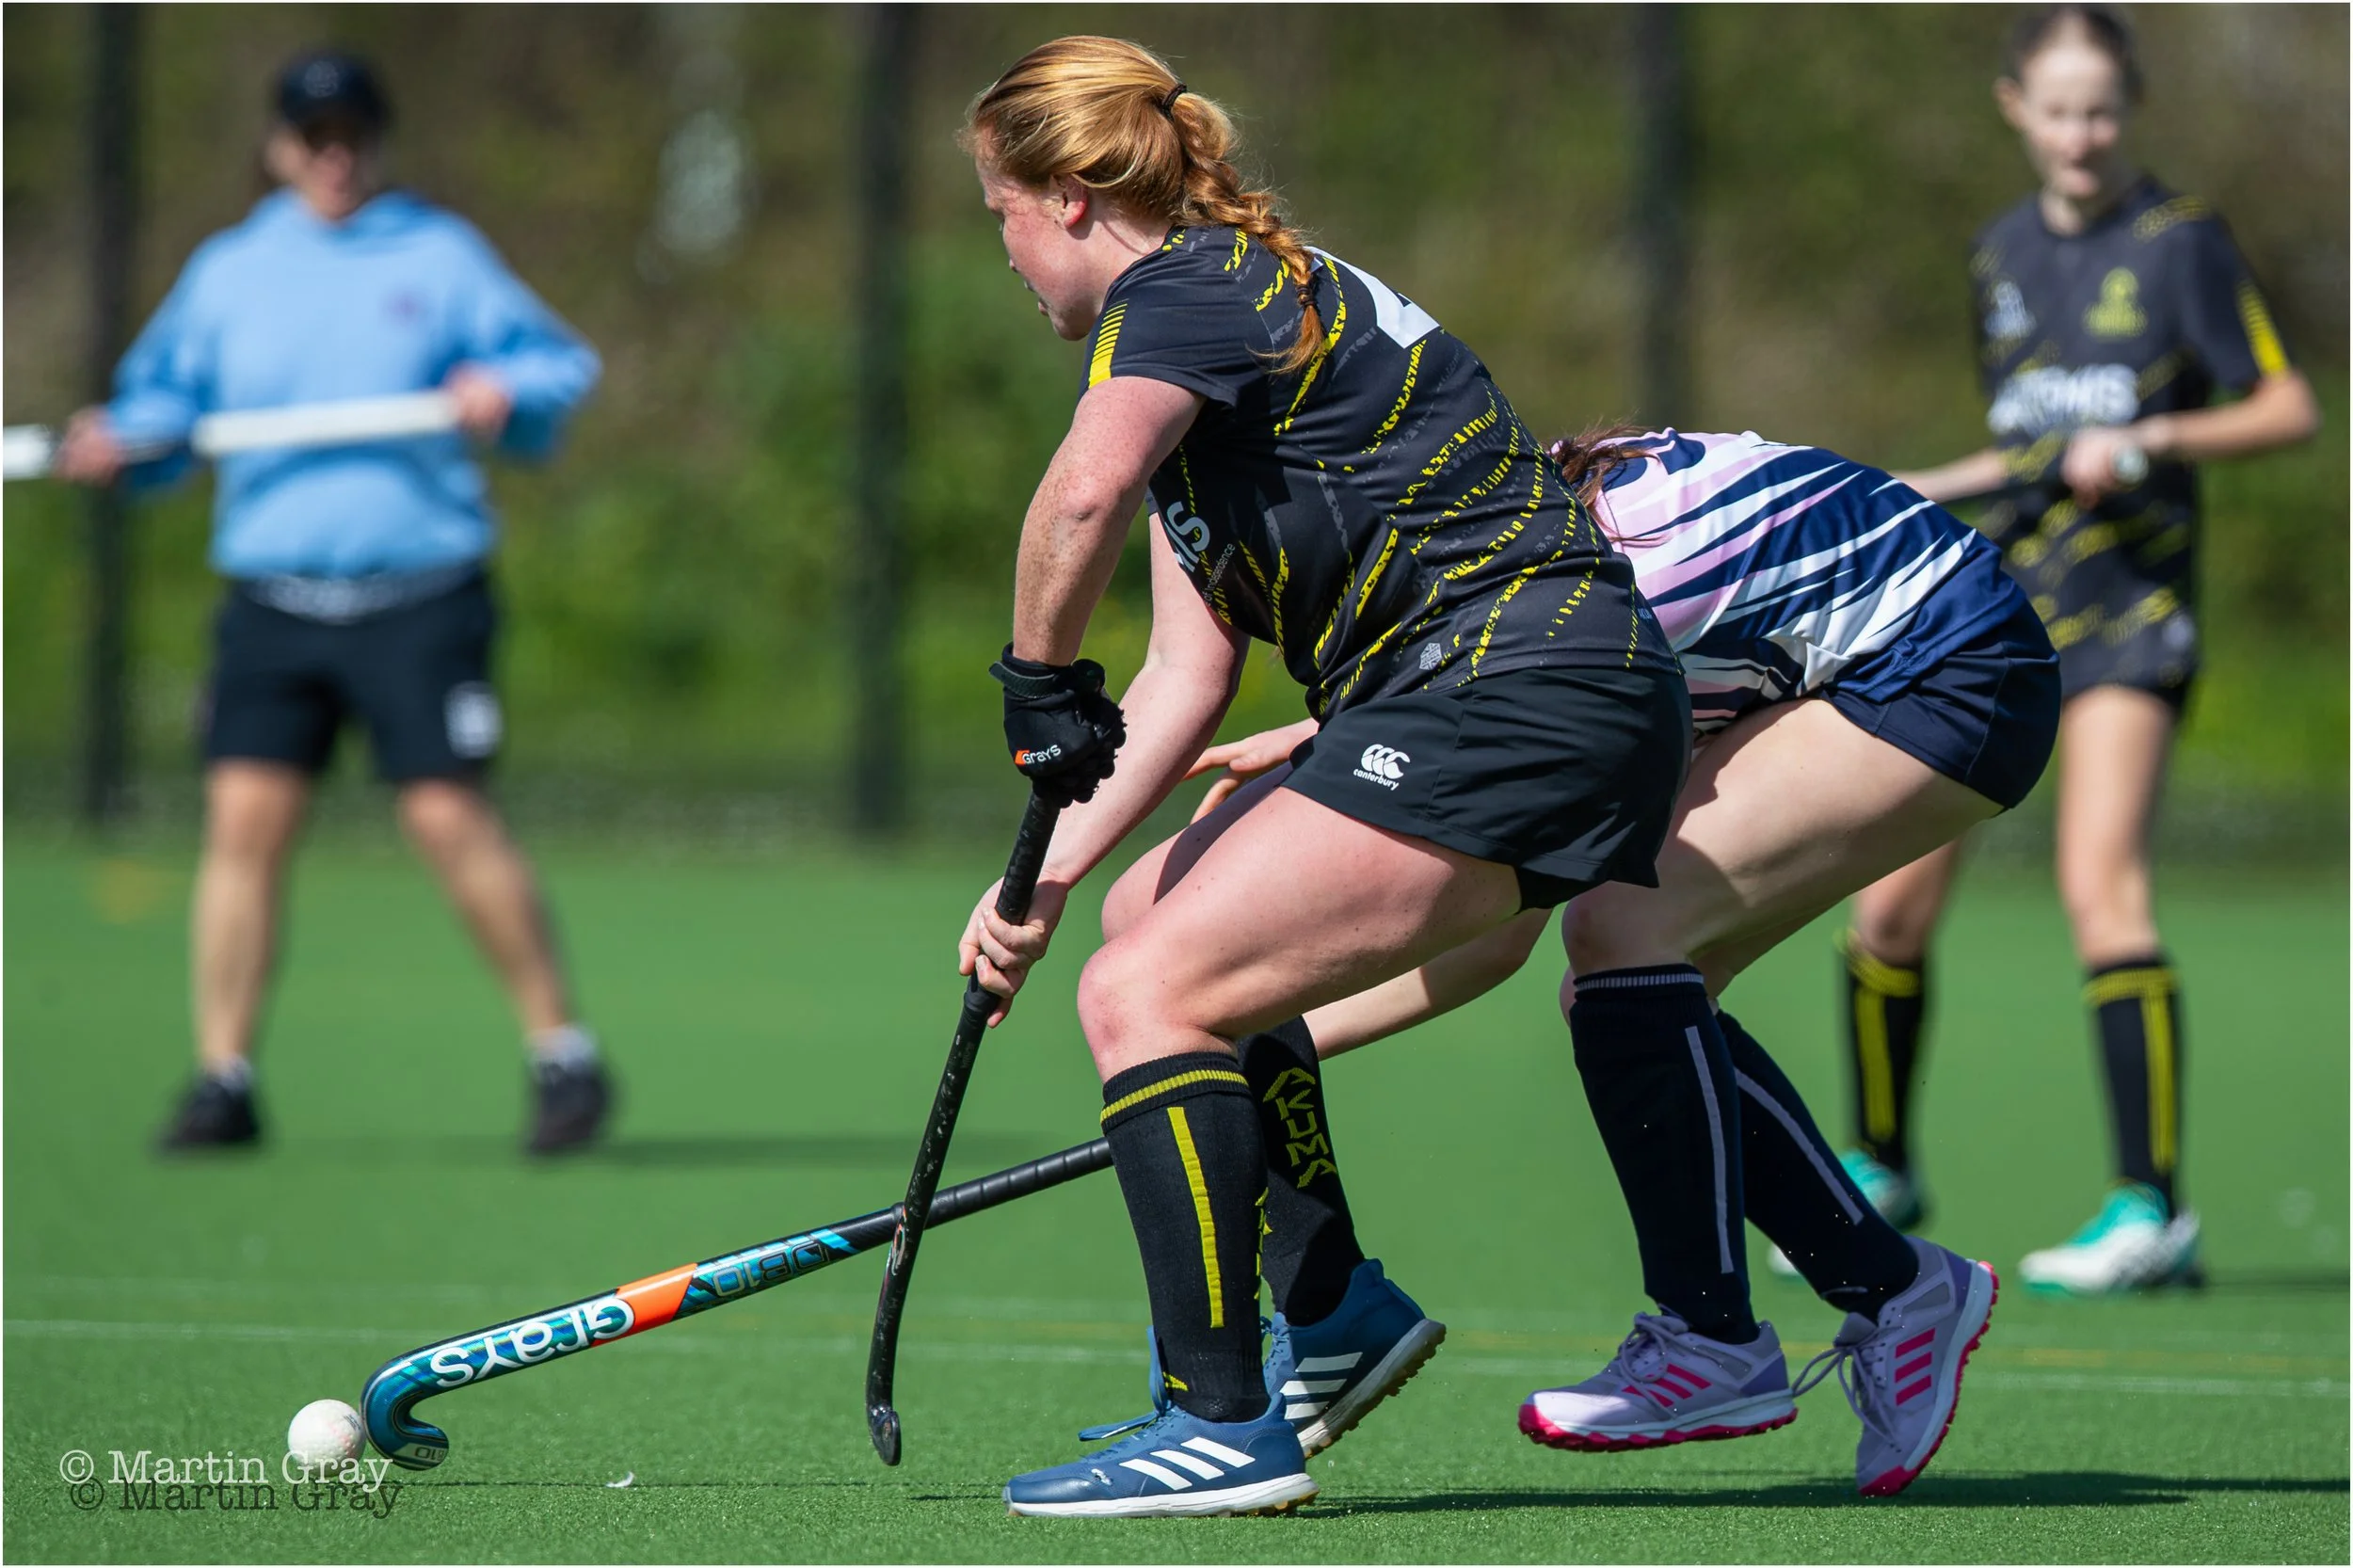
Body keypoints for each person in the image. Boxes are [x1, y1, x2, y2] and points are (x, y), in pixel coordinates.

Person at [954, 37, 1695, 1518]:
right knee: (1147, 920)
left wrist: (1036, 680)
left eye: (1004, 218)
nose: (1010, 255)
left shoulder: (1186, 296)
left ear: (1076, 199)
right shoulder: (1224, 324)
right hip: (1523, 693)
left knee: (1146, 997)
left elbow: (1079, 487)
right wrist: (1037, 878)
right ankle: (1334, 1303)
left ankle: (1220, 1419)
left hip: (1514, 686)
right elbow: (1181, 678)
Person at [1171, 427, 2058, 1496]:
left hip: (1945, 667)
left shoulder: (1609, 596)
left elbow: (1500, 915)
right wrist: (1266, 1037)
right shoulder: (1535, 546)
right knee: (1644, 981)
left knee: (1621, 937)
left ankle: (1711, 1338)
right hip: (1868, 656)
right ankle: (1898, 1287)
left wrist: (1262, 1028)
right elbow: (1492, 903)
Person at [1830, 5, 2319, 1295]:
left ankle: (2152, 1208)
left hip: (2132, 611)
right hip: (2001, 613)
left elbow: (2285, 405)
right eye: (2058, 108)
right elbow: (2035, 446)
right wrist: (1925, 482)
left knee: (2099, 880)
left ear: (2130, 108)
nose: (2082, 132)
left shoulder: (2181, 244)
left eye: (2101, 107)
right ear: (2015, 108)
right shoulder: (1996, 253)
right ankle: (1877, 1165)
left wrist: (2152, 442)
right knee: (1888, 899)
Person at [52, 51, 613, 1156]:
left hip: (419, 591)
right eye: (313, 135)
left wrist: (504, 391)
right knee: (243, 826)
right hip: (272, 597)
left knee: (445, 816)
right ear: (278, 146)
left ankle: (562, 1055)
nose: (333, 153)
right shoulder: (228, 271)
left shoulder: (438, 254)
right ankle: (224, 1075)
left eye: (352, 131)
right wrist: (122, 440)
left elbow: (559, 366)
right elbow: (165, 407)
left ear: (378, 138)